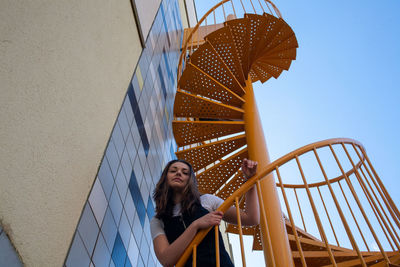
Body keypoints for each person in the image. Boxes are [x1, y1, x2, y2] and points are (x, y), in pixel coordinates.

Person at [150, 158, 260, 267]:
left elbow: (250, 218)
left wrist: (250, 182)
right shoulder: (158, 221)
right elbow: (166, 260)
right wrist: (195, 226)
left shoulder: (207, 200)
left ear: (190, 180)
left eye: (185, 172)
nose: (178, 173)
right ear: (165, 178)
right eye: (173, 171)